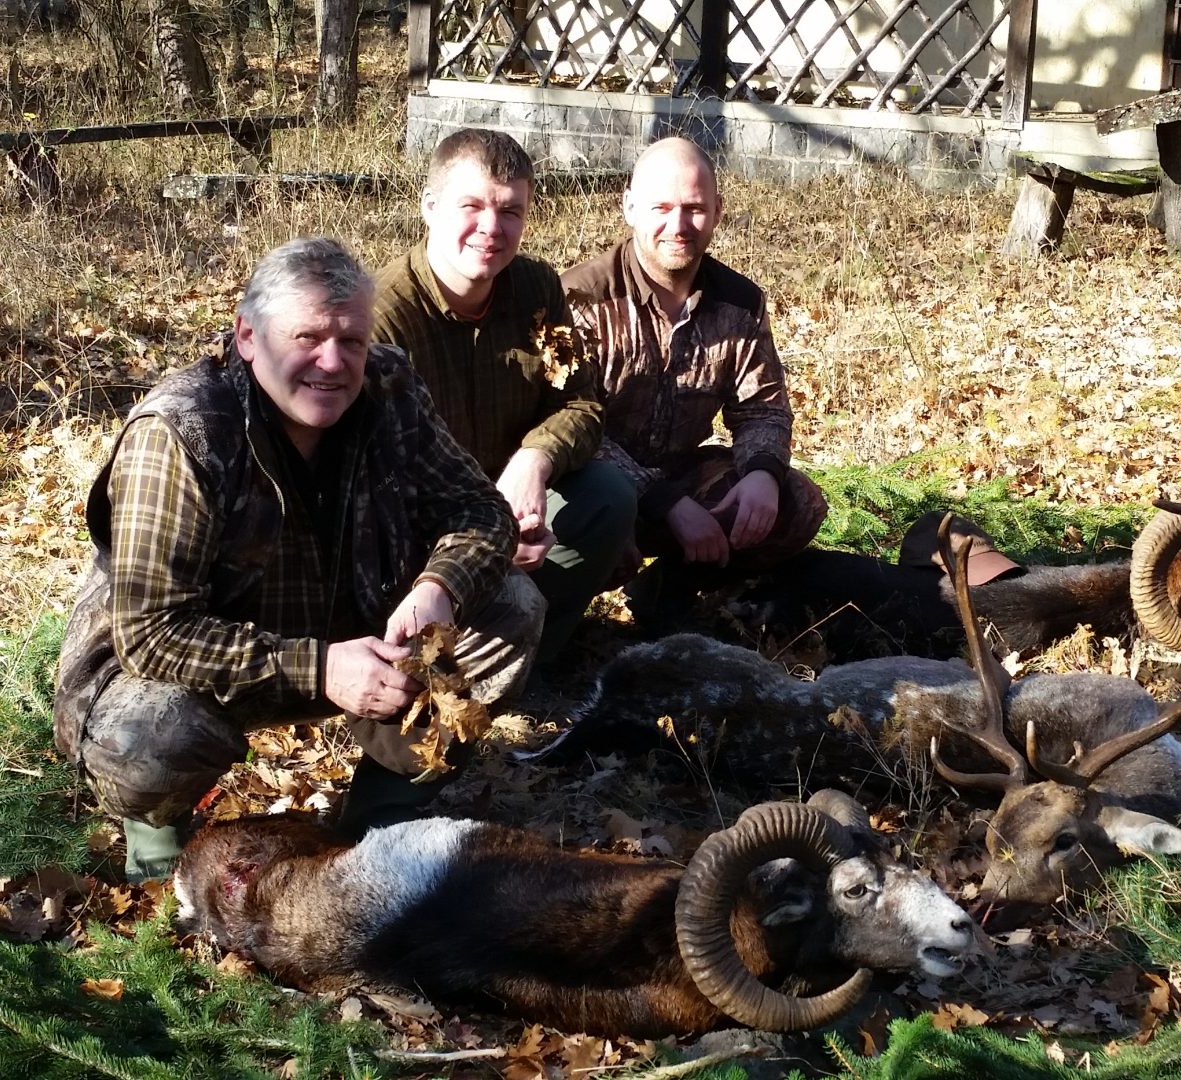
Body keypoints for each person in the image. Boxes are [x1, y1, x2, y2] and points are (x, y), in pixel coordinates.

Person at [53, 237, 541, 882]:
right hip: (215, 664)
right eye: (307, 338)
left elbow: (481, 510)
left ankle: (379, 826)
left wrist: (439, 589)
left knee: (510, 607)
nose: (333, 363)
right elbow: (150, 634)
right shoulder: (182, 433)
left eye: (351, 341)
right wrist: (322, 667)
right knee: (151, 731)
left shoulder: (389, 386)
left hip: (362, 630)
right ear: (248, 337)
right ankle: (161, 845)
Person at [373, 128, 636, 664]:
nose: (491, 228)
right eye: (472, 206)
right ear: (430, 207)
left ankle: (535, 663)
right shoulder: (383, 319)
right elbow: (376, 481)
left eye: (511, 211)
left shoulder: (538, 288)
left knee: (608, 496)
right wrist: (481, 539)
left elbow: (580, 402)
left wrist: (534, 460)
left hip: (512, 505)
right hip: (417, 533)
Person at [561, 136, 828, 629]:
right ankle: (563, 627)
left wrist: (762, 474)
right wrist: (663, 502)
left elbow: (763, 409)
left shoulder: (740, 302)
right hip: (591, 485)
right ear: (630, 207)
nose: (679, 226)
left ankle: (668, 590)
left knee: (796, 502)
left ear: (718, 211)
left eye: (695, 209)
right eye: (662, 208)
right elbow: (567, 426)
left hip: (681, 474)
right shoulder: (579, 300)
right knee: (586, 524)